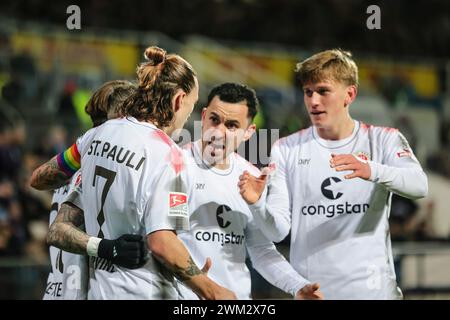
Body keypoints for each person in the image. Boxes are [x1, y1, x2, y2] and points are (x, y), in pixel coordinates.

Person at [45, 46, 235, 299]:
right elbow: (162, 242)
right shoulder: (168, 153)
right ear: (179, 99)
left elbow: (59, 227)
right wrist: (210, 289)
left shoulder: (96, 137)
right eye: (192, 104)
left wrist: (106, 248)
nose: (189, 115)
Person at [238, 49, 428, 299]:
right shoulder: (286, 148)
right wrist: (258, 205)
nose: (313, 101)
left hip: (375, 293)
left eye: (323, 91)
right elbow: (277, 231)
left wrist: (371, 169)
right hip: (316, 295)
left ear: (349, 94)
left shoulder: (383, 139)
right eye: (308, 92)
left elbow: (419, 185)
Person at [177, 83, 323, 299]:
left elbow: (261, 250)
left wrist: (297, 286)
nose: (219, 132)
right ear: (204, 116)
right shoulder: (177, 165)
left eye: (232, 125)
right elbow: (160, 240)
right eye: (214, 120)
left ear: (248, 132)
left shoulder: (250, 177)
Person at [44, 80, 146, 300]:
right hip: (77, 292)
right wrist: (110, 248)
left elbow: (39, 178)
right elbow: (58, 232)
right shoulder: (94, 171)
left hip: (54, 290)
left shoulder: (77, 164)